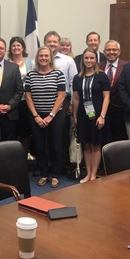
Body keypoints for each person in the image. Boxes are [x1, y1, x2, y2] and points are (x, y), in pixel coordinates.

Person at [25, 46, 66, 188]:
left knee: (56, 146)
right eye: (41, 56)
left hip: (55, 116)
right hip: (36, 115)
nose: (43, 58)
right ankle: (43, 174)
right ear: (37, 58)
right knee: (39, 146)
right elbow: (28, 97)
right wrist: (36, 116)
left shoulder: (58, 74)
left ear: (50, 58)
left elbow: (61, 97)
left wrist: (50, 116)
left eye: (46, 56)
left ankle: (55, 175)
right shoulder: (30, 75)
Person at [73, 48, 110, 184]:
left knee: (95, 145)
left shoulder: (102, 76)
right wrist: (75, 117)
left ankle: (94, 175)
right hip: (83, 115)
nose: (89, 61)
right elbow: (76, 98)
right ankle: (88, 174)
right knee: (86, 145)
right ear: (83, 60)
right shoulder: (77, 77)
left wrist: (103, 116)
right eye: (86, 58)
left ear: (96, 60)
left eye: (91, 58)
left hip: (98, 115)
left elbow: (106, 97)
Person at [43, 31, 77, 178]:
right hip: (43, 101)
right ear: (45, 43)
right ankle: (47, 165)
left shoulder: (67, 61)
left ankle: (64, 165)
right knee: (45, 135)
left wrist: (71, 104)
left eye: (54, 42)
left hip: (63, 101)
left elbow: (73, 83)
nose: (52, 44)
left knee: (62, 134)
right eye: (49, 41)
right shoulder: (39, 59)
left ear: (58, 43)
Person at [8, 36, 35, 159]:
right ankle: (14, 158)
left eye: (18, 45)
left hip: (26, 101)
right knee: (13, 130)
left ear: (23, 47)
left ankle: (24, 156)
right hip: (12, 101)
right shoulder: (7, 62)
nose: (16, 47)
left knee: (25, 131)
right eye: (13, 45)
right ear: (10, 48)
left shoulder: (30, 62)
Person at [99, 40, 128, 141]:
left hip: (120, 111)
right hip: (101, 111)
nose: (111, 52)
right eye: (108, 50)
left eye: (114, 49)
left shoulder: (127, 67)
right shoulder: (97, 67)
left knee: (119, 141)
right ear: (104, 52)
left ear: (119, 52)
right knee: (102, 139)